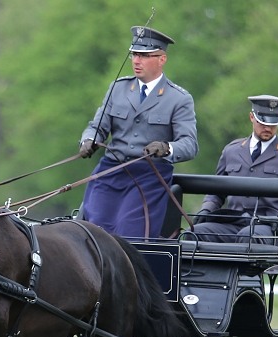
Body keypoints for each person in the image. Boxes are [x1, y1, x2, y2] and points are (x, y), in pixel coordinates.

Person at [78, 26, 198, 239]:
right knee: (93, 233)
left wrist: (166, 148)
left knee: (128, 235)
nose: (136, 60)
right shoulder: (118, 88)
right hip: (110, 172)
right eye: (134, 54)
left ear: (162, 59)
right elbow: (97, 126)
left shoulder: (179, 98)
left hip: (149, 177)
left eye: (144, 55)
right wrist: (89, 139)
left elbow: (190, 144)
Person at [190, 95, 278, 243]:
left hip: (267, 226)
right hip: (233, 222)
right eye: (262, 122)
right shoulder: (231, 151)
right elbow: (216, 193)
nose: (268, 128)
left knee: (247, 237)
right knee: (194, 234)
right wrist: (207, 208)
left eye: (273, 124)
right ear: (251, 117)